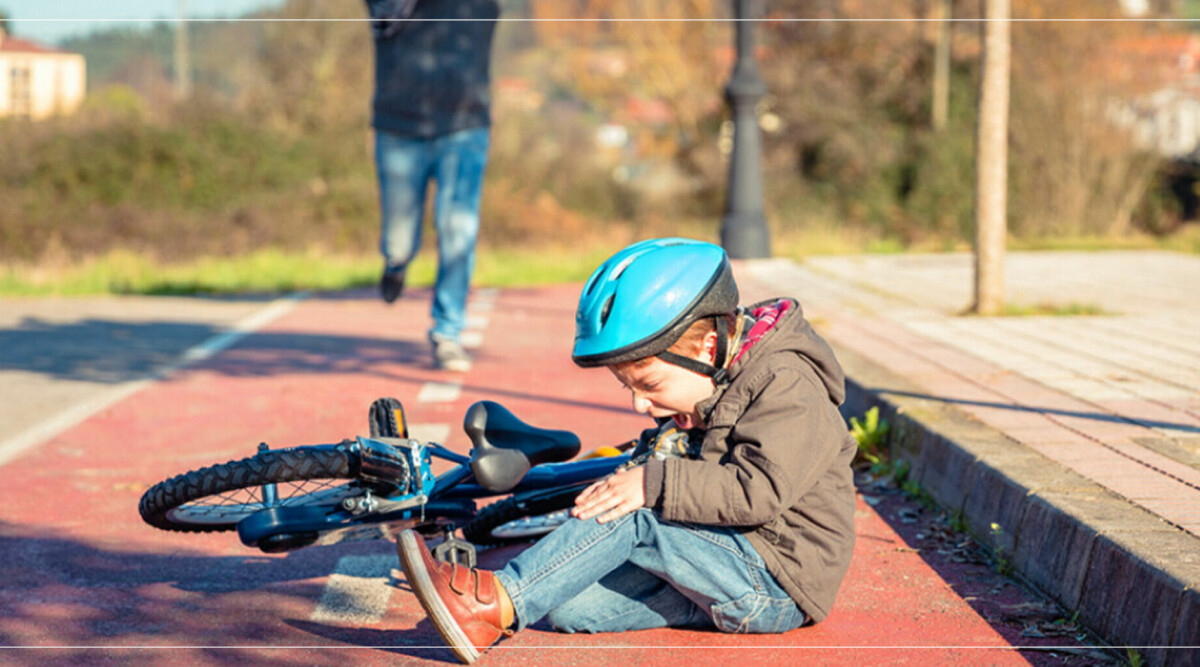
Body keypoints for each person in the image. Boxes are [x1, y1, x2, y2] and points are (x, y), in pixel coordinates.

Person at [395, 238, 858, 664]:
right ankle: (533, 595)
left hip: (775, 578)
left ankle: (493, 605)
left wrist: (649, 482)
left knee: (639, 512)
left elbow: (756, 492)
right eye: (628, 387)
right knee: (567, 605)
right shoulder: (710, 379)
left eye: (649, 385)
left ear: (710, 346)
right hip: (725, 558)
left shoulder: (788, 385)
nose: (639, 403)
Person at [365, 0, 500, 372]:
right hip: (397, 126)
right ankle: (396, 261)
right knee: (399, 238)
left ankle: (447, 332)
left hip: (465, 124)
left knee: (457, 228)